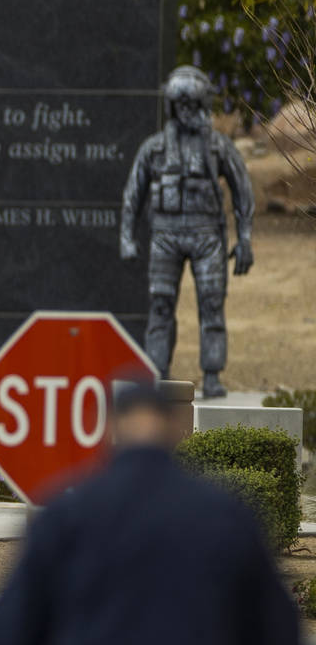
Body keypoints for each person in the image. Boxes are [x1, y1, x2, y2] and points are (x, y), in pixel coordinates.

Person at [0, 384, 298, 645]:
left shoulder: (66, 514)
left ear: (111, 427)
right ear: (174, 428)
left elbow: (9, 628)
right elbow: (278, 630)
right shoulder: (226, 515)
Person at [120, 64, 255, 398]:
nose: (187, 111)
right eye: (181, 105)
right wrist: (127, 234)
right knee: (161, 303)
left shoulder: (218, 147)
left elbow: (243, 189)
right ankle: (158, 371)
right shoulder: (154, 148)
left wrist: (245, 237)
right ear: (171, 106)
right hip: (165, 234)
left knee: (211, 304)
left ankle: (211, 374)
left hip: (207, 235)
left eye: (192, 104)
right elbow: (133, 192)